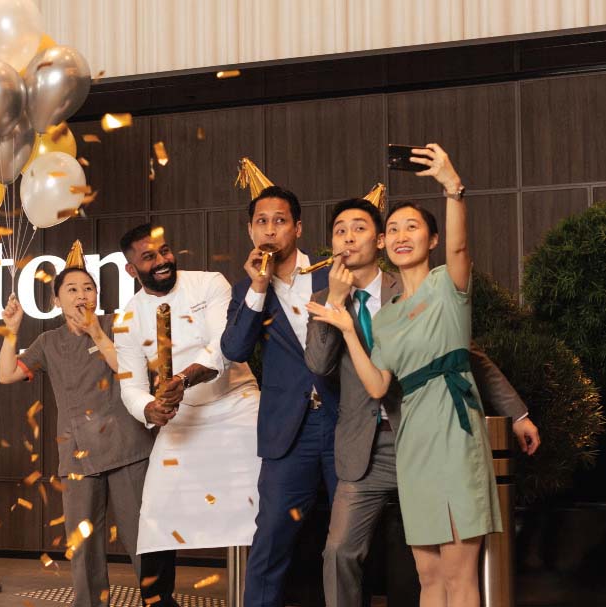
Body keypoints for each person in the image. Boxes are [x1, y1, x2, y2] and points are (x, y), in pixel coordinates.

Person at [307, 144, 518, 607]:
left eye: (412, 227)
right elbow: (377, 384)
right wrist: (347, 328)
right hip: (412, 445)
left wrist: (451, 186)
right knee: (429, 576)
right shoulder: (386, 316)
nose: (402, 235)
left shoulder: (448, 284)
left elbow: (461, 246)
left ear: (433, 239)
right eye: (395, 228)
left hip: (454, 436)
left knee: (459, 576)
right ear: (385, 242)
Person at [0, 244, 153, 607]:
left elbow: (129, 371)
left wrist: (97, 333)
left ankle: (157, 601)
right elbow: (6, 374)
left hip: (128, 447)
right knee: (84, 547)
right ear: (56, 301)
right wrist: (11, 330)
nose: (82, 295)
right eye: (72, 289)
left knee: (143, 540)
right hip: (78, 455)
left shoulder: (116, 325)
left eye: (88, 288)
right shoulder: (48, 342)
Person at [114, 223, 261, 607]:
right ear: (131, 269)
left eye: (164, 251)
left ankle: (267, 596)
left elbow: (224, 347)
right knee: (156, 514)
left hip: (237, 405)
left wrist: (182, 379)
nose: (162, 261)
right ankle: (158, 602)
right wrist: (149, 408)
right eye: (149, 257)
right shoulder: (127, 319)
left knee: (264, 507)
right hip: (182, 418)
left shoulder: (209, 283)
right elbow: (130, 385)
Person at [220, 186, 339, 607]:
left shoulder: (332, 275)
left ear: (298, 228)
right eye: (262, 222)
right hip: (288, 431)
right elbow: (234, 349)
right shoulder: (246, 290)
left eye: (280, 220)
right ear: (250, 231)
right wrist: (258, 286)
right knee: (270, 539)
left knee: (349, 545)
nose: (270, 229)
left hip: (342, 421)